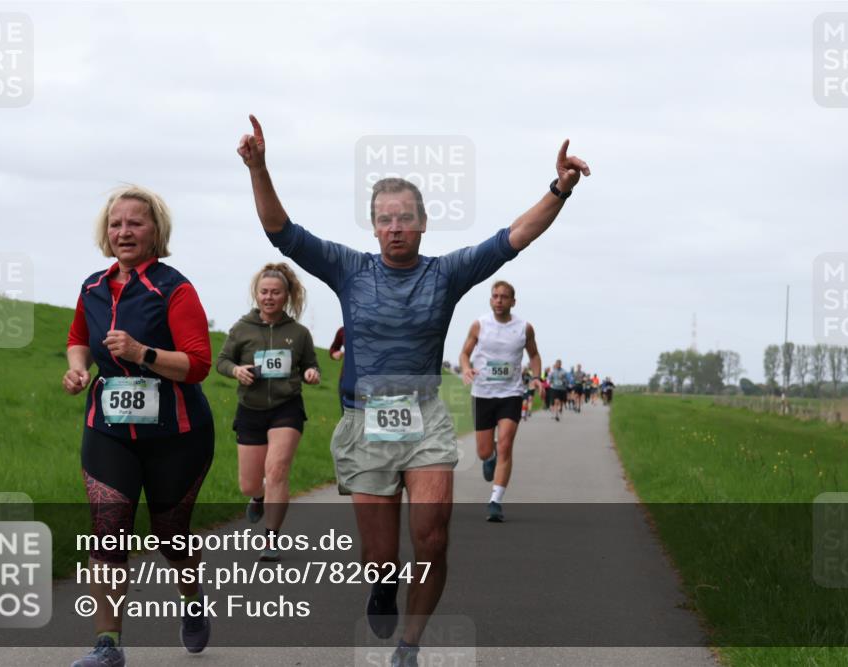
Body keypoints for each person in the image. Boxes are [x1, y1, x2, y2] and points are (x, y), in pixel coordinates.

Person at [236, 114, 590, 667]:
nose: (396, 226)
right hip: (366, 421)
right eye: (385, 219)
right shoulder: (349, 269)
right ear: (374, 227)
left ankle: (410, 643)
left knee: (432, 539)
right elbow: (283, 232)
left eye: (406, 218)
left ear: (423, 223)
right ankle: (380, 586)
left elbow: (512, 238)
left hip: (423, 418)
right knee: (380, 556)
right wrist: (258, 166)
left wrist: (559, 189)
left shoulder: (445, 274)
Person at [63, 185, 215, 667]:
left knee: (171, 534)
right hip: (108, 429)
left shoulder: (174, 287)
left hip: (177, 435)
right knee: (108, 530)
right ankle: (107, 644)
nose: (124, 231)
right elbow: (77, 339)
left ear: (156, 232)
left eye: (135, 223)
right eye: (115, 223)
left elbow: (197, 364)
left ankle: (193, 601)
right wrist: (78, 369)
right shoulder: (92, 286)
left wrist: (141, 353)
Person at [215, 262, 321, 562]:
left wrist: (312, 374)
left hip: (287, 407)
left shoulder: (299, 333)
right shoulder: (241, 329)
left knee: (276, 470)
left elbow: (311, 365)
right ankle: (258, 496)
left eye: (275, 292)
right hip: (250, 408)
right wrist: (236, 370)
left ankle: (272, 538)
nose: (269, 297)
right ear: (256, 294)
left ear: (286, 296)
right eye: (264, 292)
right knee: (249, 482)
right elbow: (221, 361)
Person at [459, 281, 542, 522]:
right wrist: (466, 368)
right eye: (495, 296)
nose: (499, 300)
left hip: (511, 394)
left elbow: (534, 354)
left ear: (513, 301)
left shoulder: (524, 328)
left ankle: (495, 500)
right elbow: (465, 353)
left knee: (505, 445)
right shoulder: (480, 325)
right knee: (485, 451)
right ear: (490, 299)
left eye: (504, 297)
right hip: (483, 394)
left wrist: (536, 377)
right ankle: (490, 458)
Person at [329, 326, 346, 414]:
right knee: (347, 415)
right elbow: (333, 349)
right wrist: (334, 353)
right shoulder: (343, 330)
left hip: (369, 380)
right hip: (345, 380)